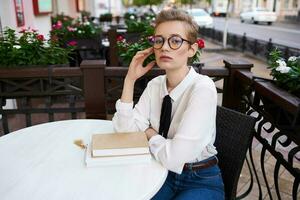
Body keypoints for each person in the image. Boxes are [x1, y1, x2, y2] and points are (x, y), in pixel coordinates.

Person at [112, 9, 224, 200]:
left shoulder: (202, 87)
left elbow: (175, 157)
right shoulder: (155, 85)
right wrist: (130, 79)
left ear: (192, 49)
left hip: (199, 176)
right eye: (159, 40)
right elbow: (124, 130)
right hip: (158, 170)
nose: (164, 47)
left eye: (175, 40)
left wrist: (149, 133)